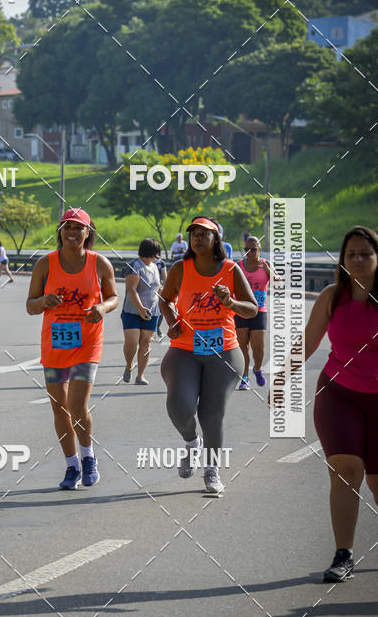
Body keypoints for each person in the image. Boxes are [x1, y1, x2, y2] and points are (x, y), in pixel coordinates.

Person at [277, 226, 378, 582]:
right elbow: (308, 341)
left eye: (366, 253)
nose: (359, 260)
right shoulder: (333, 297)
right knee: (345, 470)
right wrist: (281, 377)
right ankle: (343, 554)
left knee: (377, 480)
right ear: (343, 260)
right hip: (338, 393)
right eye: (351, 254)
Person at [159, 216, 258, 493]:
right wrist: (172, 322)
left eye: (205, 233)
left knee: (212, 414)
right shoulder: (181, 269)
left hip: (224, 352)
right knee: (180, 407)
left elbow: (251, 308)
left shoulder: (230, 270)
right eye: (194, 234)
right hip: (185, 350)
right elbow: (165, 299)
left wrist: (230, 302)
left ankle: (212, 470)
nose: (197, 238)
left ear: (217, 239)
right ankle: (192, 443)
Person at [26, 207, 118, 489]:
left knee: (78, 405)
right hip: (55, 343)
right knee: (59, 408)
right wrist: (44, 302)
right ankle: (71, 466)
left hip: (88, 341)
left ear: (88, 233)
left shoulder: (99, 263)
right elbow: (30, 306)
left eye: (78, 228)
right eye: (67, 227)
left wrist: (101, 307)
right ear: (60, 232)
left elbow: (114, 297)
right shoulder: (45, 264)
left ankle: (89, 457)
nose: (72, 232)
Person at [235, 236, 280, 389]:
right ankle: (245, 377)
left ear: (259, 250)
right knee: (243, 346)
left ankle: (257, 369)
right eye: (247, 249)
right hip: (241, 309)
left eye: (253, 249)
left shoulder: (266, 264)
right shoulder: (238, 266)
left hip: (259, 311)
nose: (250, 252)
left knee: (258, 346)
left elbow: (279, 283)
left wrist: (268, 271)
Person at [122, 239, 162, 385]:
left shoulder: (155, 267)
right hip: (132, 311)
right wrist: (140, 309)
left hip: (152, 311)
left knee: (145, 342)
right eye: (156, 253)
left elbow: (156, 287)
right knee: (132, 342)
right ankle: (129, 365)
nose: (158, 257)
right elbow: (131, 289)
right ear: (149, 252)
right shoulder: (134, 266)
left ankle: (140, 376)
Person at [154, 240, 167, 340]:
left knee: (161, 310)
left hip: (158, 290)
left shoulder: (161, 263)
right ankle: (149, 330)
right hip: (147, 290)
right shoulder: (145, 262)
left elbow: (165, 277)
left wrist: (164, 288)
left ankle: (157, 327)